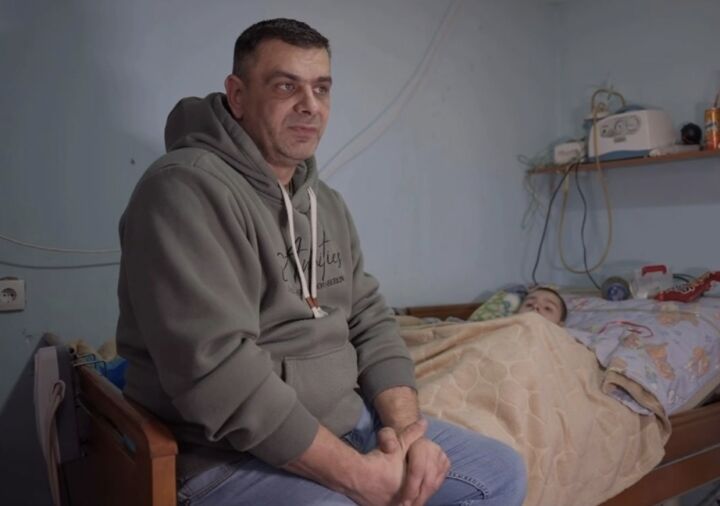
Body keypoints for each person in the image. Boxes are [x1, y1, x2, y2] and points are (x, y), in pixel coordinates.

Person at [116, 18, 526, 506]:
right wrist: (357, 478)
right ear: (238, 95)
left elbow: (369, 320)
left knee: (501, 472)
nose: (310, 105)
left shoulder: (323, 202)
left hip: (350, 424)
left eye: (321, 88)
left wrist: (407, 435)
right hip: (227, 456)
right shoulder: (181, 191)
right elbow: (218, 374)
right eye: (286, 86)